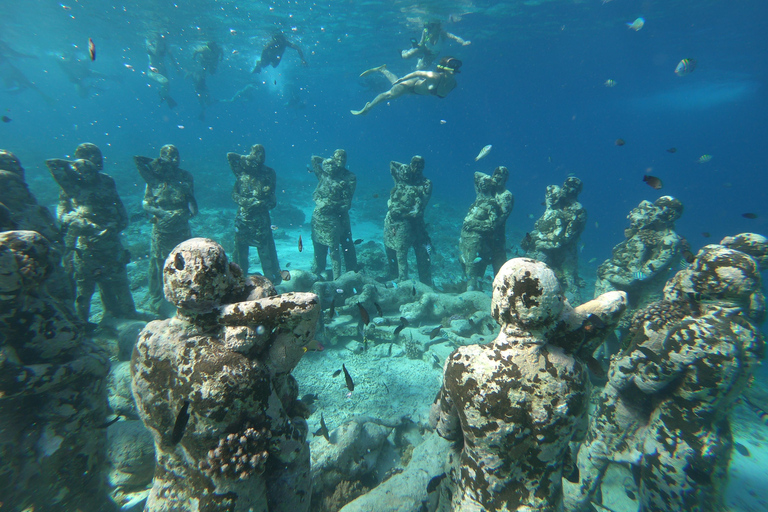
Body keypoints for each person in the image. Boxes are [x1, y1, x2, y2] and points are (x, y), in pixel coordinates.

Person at [46, 143, 142, 323]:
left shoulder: (106, 181)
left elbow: (118, 205)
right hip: (86, 246)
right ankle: (82, 324)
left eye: (98, 156)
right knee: (85, 287)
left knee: (119, 281)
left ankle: (127, 314)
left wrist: (117, 224)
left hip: (111, 241)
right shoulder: (70, 186)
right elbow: (62, 214)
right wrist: (83, 224)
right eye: (93, 157)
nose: (97, 161)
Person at [134, 144, 197, 316]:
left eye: (176, 155)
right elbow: (146, 203)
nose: (175, 159)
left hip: (181, 228)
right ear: (161, 157)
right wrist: (161, 213)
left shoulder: (185, 177)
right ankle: (157, 300)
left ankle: (183, 294)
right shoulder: (154, 178)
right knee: (158, 264)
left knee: (183, 263)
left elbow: (192, 205)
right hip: (161, 229)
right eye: (170, 156)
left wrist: (180, 215)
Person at [228, 144, 282, 284]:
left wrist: (260, 204)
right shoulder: (242, 172)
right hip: (243, 218)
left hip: (261, 219)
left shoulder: (269, 173)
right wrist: (246, 202)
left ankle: (271, 280)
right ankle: (239, 279)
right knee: (241, 252)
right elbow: (234, 194)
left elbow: (272, 199)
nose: (259, 156)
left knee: (265, 251)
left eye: (261, 153)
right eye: (256, 153)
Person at [459, 166, 514, 291]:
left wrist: (477, 225)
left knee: (499, 272)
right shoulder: (489, 190)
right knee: (478, 269)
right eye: (496, 176)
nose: (497, 179)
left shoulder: (506, 196)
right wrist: (490, 179)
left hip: (496, 239)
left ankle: (502, 299)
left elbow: (499, 222)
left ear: (506, 180)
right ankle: (477, 293)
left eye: (501, 178)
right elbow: (476, 174)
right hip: (483, 238)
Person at [351, 56, 461, 116]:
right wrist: (403, 79)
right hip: (411, 85)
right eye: (451, 65)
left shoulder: (454, 84)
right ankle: (368, 108)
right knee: (389, 95)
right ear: (444, 67)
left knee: (395, 83)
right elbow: (417, 72)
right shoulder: (433, 76)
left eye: (456, 66)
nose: (455, 68)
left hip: (416, 91)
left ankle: (383, 69)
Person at [384, 155, 432, 284]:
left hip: (415, 223)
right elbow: (392, 163)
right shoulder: (402, 177)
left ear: (424, 167)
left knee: (423, 253)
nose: (417, 167)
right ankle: (394, 277)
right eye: (414, 164)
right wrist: (406, 167)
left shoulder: (425, 183)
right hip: (395, 222)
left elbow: (421, 208)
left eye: (420, 165)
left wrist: (402, 212)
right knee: (391, 248)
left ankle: (426, 283)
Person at [309, 149, 357, 280]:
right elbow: (314, 159)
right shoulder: (325, 174)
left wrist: (330, 206)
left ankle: (351, 272)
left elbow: (347, 203)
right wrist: (327, 161)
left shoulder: (350, 177)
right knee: (319, 245)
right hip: (322, 218)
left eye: (343, 159)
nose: (341, 161)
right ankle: (319, 271)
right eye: (338, 159)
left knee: (346, 244)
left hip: (340, 217)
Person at [401, 20, 470, 70]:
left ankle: (419, 59)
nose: (428, 28)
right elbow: (421, 43)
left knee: (420, 68)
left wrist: (463, 42)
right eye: (428, 26)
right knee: (406, 56)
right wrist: (416, 47)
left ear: (437, 26)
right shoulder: (426, 31)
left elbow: (455, 37)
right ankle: (405, 52)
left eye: (431, 26)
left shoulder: (442, 34)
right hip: (424, 48)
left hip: (432, 54)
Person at [190, 41, 223, 119]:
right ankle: (205, 109)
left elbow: (221, 52)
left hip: (201, 87)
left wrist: (222, 57)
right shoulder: (204, 49)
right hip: (205, 61)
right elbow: (196, 51)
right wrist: (193, 57)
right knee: (205, 71)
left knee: (211, 72)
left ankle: (205, 109)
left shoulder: (218, 49)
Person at [146, 32, 179, 109]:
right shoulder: (150, 43)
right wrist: (158, 42)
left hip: (163, 70)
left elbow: (171, 57)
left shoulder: (164, 44)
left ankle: (164, 96)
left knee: (167, 87)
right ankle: (163, 96)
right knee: (165, 82)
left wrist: (177, 68)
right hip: (152, 71)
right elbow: (156, 54)